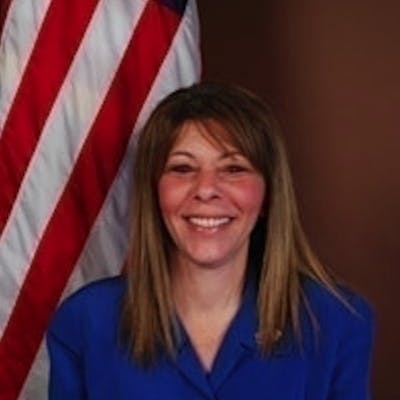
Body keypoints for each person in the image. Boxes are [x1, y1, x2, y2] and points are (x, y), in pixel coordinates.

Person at [47, 82, 374, 399]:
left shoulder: (337, 321)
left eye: (233, 168)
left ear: (268, 194)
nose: (205, 189)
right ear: (154, 192)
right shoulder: (85, 322)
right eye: (182, 168)